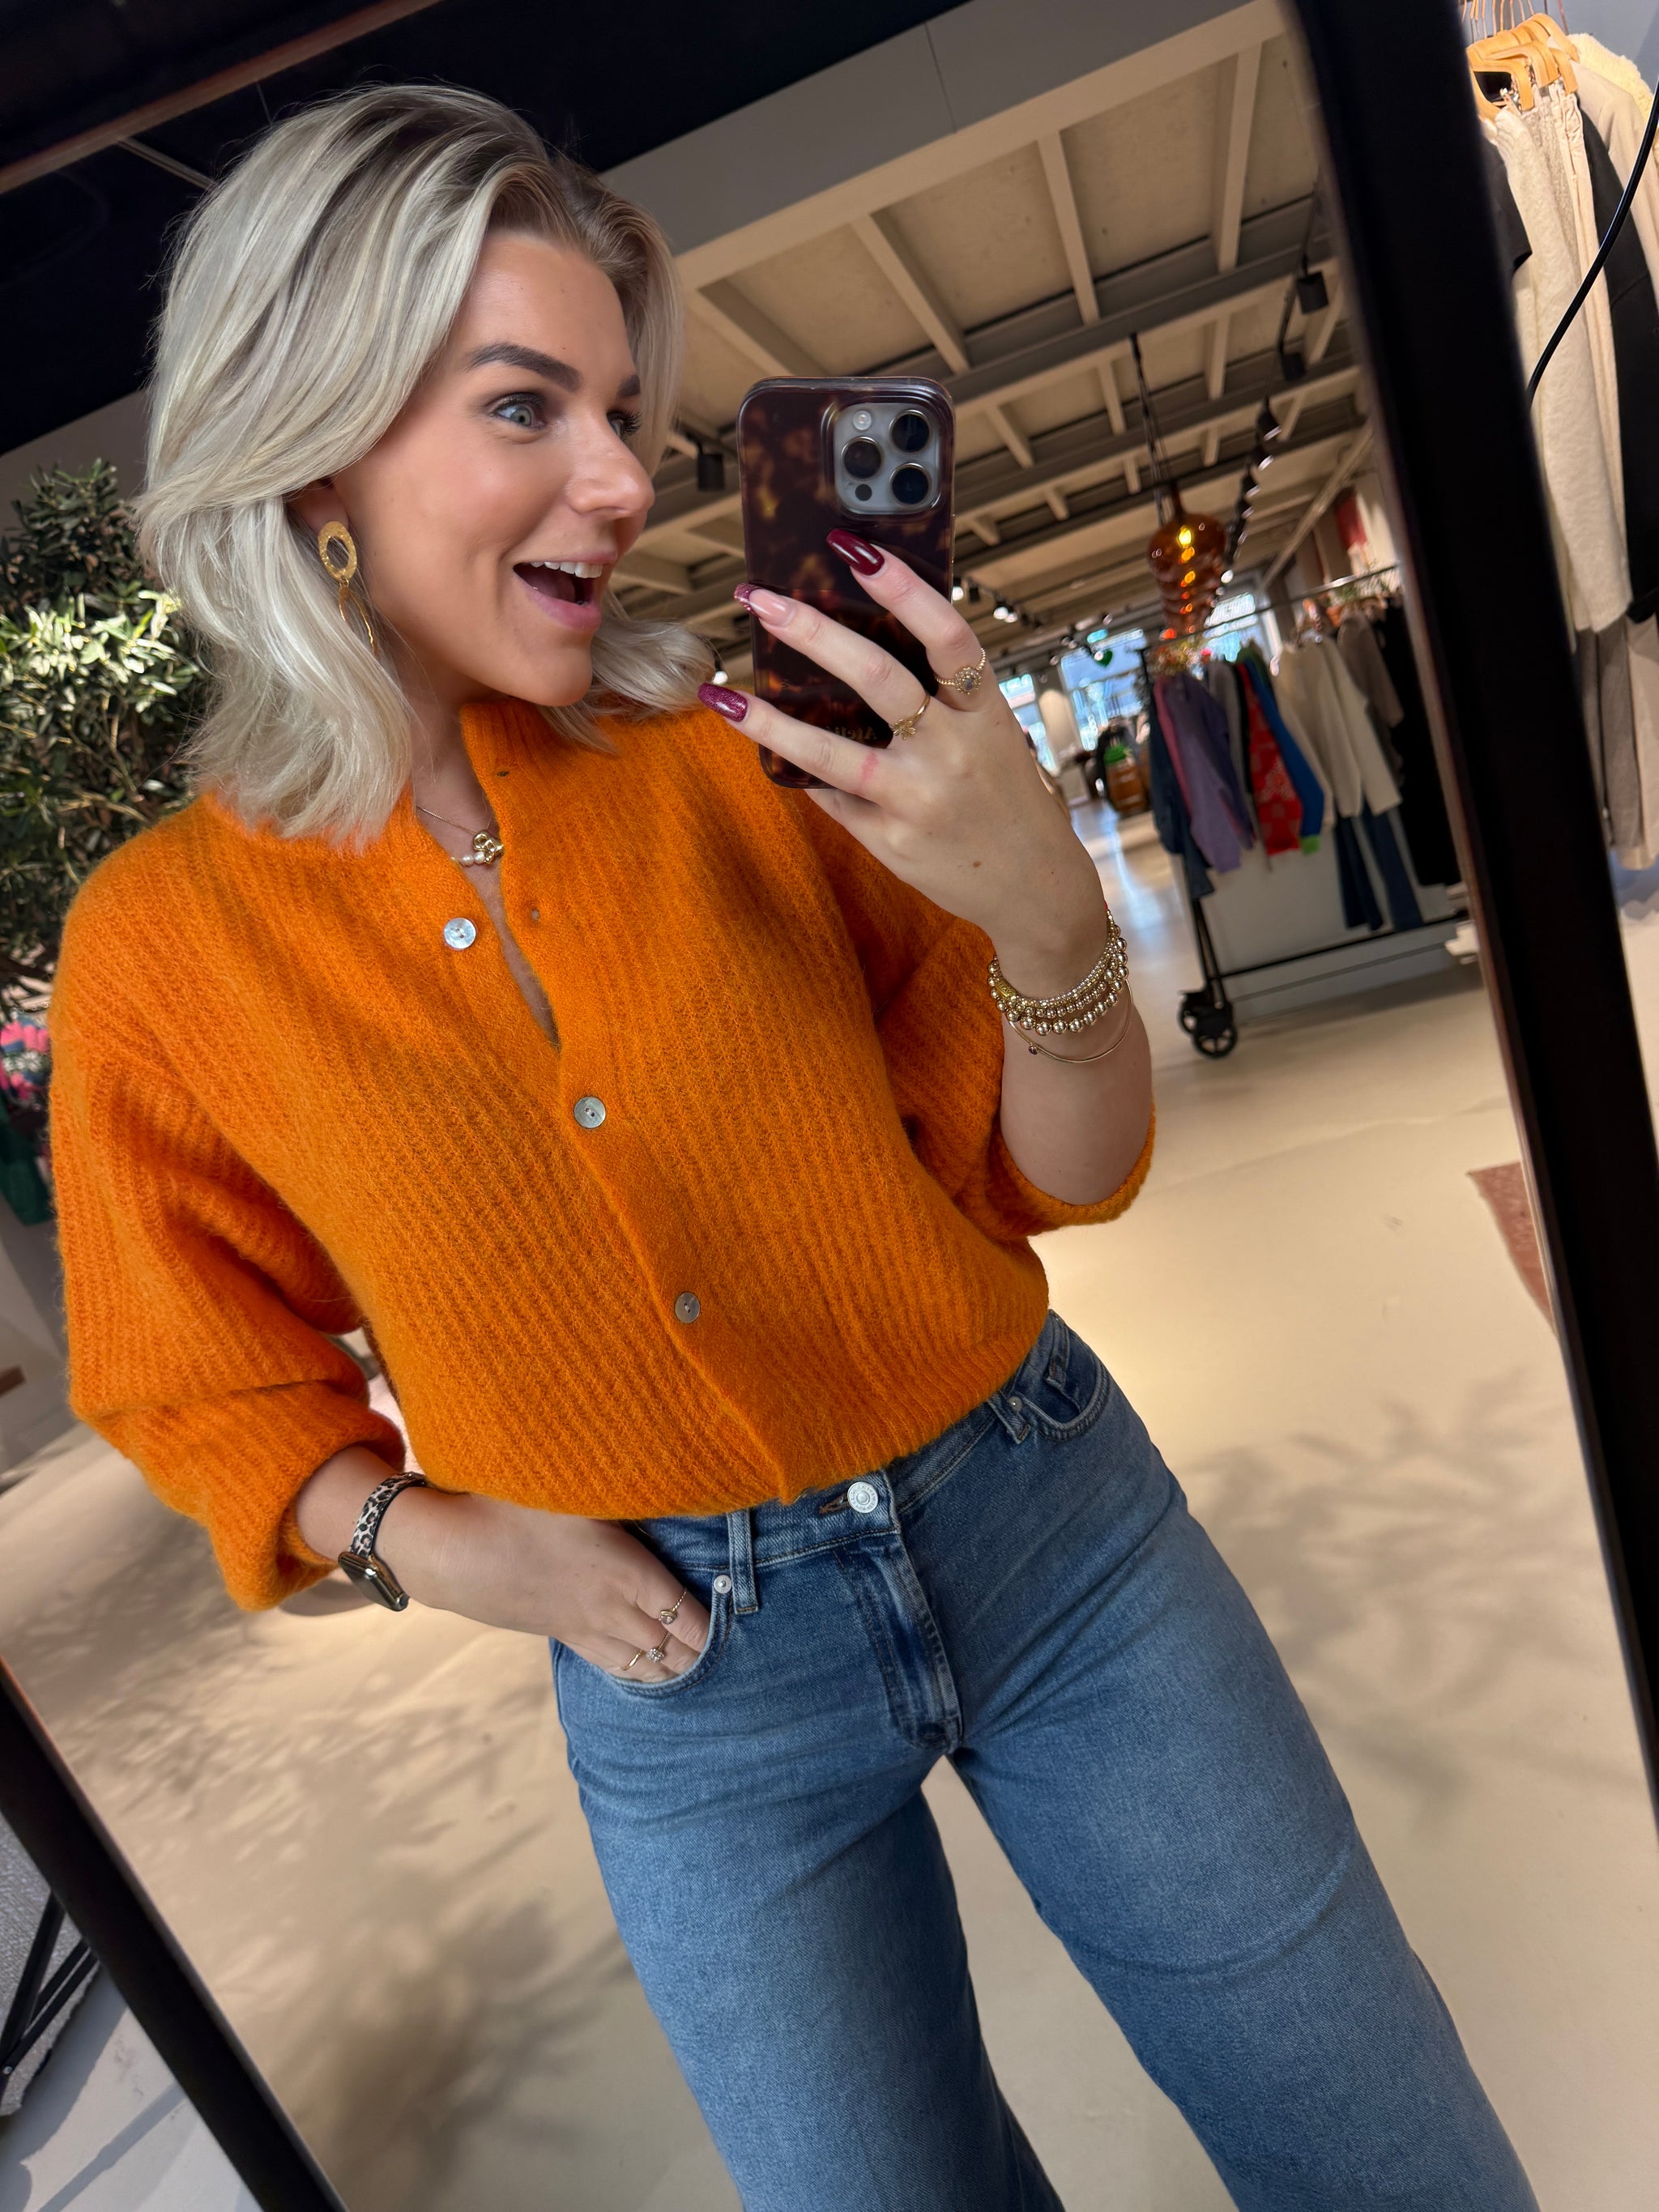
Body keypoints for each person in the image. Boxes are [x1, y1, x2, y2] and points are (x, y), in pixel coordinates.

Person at [48, 86, 1537, 2212]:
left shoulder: (734, 761)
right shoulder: (163, 950)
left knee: (1387, 2149)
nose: (618, 475)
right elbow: (191, 1370)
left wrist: (1049, 926)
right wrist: (443, 1544)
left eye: (622, 414)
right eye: (526, 405)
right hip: (693, 1693)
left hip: (1053, 1530)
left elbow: (1058, 1170)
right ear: (314, 453)